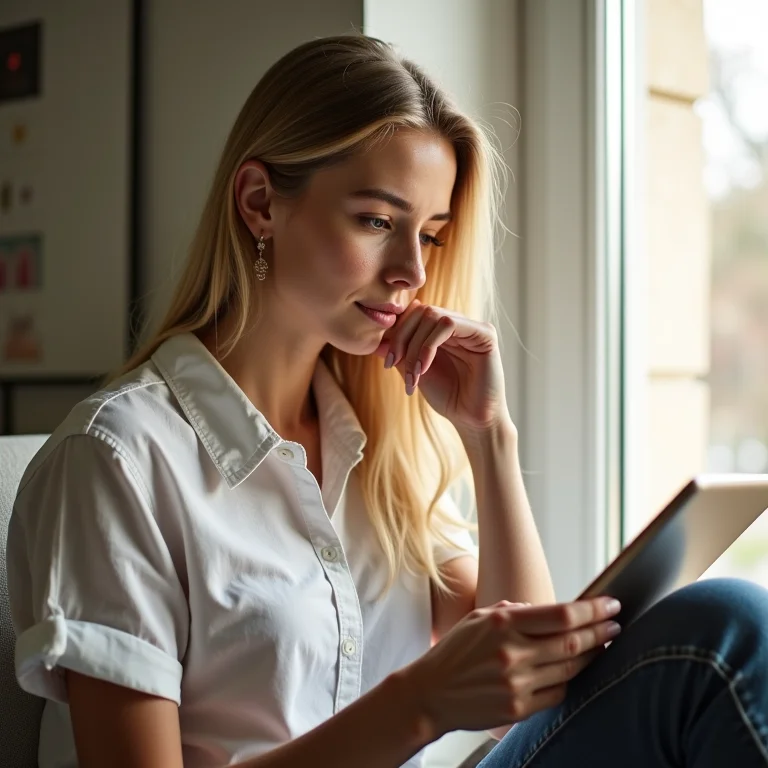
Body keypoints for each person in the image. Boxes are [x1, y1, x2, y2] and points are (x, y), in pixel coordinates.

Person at [7, 34, 768, 768]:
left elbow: (526, 696)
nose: (410, 269)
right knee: (723, 635)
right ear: (260, 202)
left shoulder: (375, 442)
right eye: (377, 221)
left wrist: (489, 436)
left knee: (726, 624)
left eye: (431, 235)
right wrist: (420, 702)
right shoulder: (118, 460)